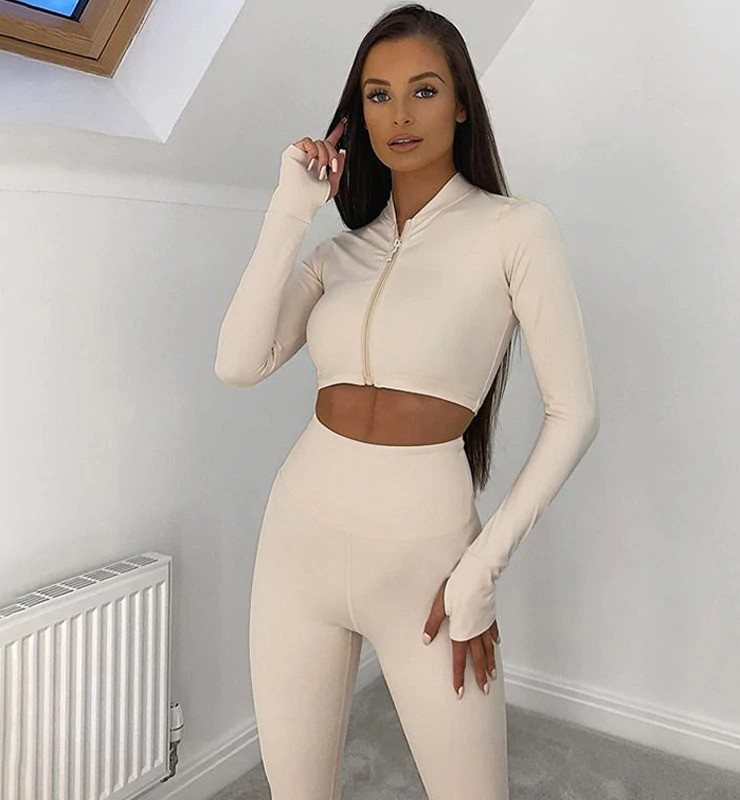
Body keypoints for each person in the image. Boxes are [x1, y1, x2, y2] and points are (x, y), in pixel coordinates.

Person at [214, 4, 599, 798]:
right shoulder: (337, 252)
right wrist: (291, 208)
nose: (399, 115)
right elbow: (238, 364)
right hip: (296, 545)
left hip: (428, 563)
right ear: (357, 113)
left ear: (460, 104)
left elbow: (575, 414)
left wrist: (480, 569)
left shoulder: (516, 230)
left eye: (423, 91)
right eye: (378, 95)